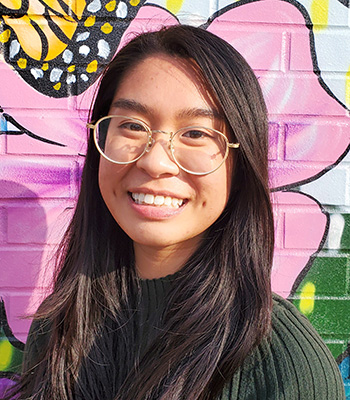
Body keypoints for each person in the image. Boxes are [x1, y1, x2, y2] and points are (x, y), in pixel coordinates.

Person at [5, 25, 345, 400]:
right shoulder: (61, 329)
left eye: (196, 133)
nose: (155, 162)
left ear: (240, 160)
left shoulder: (282, 361)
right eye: (132, 126)